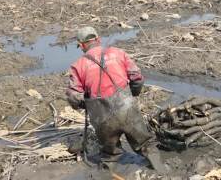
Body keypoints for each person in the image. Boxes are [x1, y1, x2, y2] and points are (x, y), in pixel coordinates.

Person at [66, 26, 167, 173]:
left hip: (102, 117)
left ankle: (108, 174)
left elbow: (73, 97)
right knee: (147, 145)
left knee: (110, 154)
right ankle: (162, 173)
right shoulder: (118, 53)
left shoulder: (78, 65)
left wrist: (87, 104)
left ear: (81, 45)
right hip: (127, 108)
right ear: (98, 39)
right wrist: (131, 95)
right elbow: (137, 78)